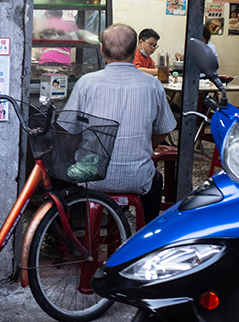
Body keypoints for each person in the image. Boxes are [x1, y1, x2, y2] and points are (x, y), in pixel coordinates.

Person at [63, 23, 176, 223]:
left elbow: (70, 131)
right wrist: (144, 149)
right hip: (137, 178)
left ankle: (72, 236)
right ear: (134, 51)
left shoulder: (86, 83)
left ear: (101, 51)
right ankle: (147, 240)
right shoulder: (153, 86)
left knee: (61, 180)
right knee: (156, 182)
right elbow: (163, 131)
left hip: (92, 176)